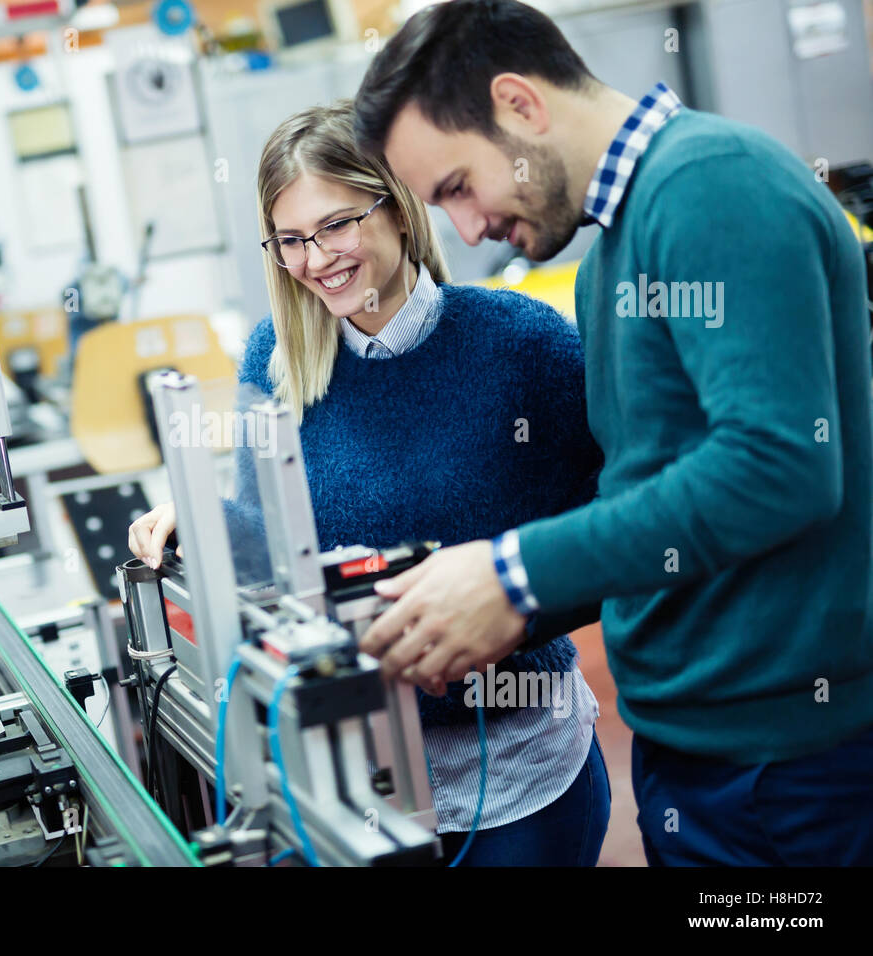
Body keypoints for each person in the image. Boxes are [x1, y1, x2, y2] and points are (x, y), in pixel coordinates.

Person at [352, 0, 873, 865]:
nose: (469, 229)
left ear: (519, 105)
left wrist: (512, 576)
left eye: (456, 187)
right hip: (702, 756)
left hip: (793, 771)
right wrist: (485, 617)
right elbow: (654, 513)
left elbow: (776, 467)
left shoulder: (712, 185)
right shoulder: (606, 263)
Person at [128, 101, 610, 865]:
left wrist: (511, 614)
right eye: (291, 240)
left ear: (397, 204)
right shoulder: (274, 360)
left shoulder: (521, 342)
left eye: (335, 224)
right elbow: (279, 550)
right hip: (356, 783)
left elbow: (619, 527)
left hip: (520, 775)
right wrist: (201, 521)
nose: (317, 259)